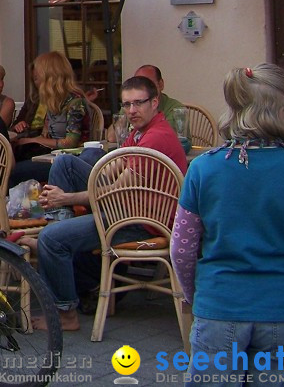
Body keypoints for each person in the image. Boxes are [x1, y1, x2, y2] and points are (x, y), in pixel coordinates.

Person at [171, 64, 284, 380]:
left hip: (218, 307)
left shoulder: (202, 169)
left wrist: (199, 296)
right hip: (283, 311)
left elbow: (181, 250)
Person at [33, 75, 187, 331]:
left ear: (155, 102)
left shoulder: (154, 138)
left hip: (142, 222)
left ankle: (65, 314)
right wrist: (86, 181)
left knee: (51, 239)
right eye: (127, 105)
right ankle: (62, 229)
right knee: (65, 163)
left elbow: (114, 193)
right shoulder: (140, 132)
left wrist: (66, 198)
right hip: (125, 208)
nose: (132, 111)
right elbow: (110, 169)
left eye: (138, 103)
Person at [10, 51, 89, 162]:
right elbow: (46, 135)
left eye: (37, 78)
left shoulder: (75, 102)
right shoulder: (54, 100)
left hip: (69, 159)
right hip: (50, 155)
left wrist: (36, 140)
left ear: (50, 77)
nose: (35, 82)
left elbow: (70, 142)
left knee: (13, 173)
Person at [133, 64, 186, 134]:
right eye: (138, 85)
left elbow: (164, 136)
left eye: (148, 85)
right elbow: (115, 136)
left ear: (160, 85)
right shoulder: (130, 106)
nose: (142, 90)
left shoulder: (176, 109)